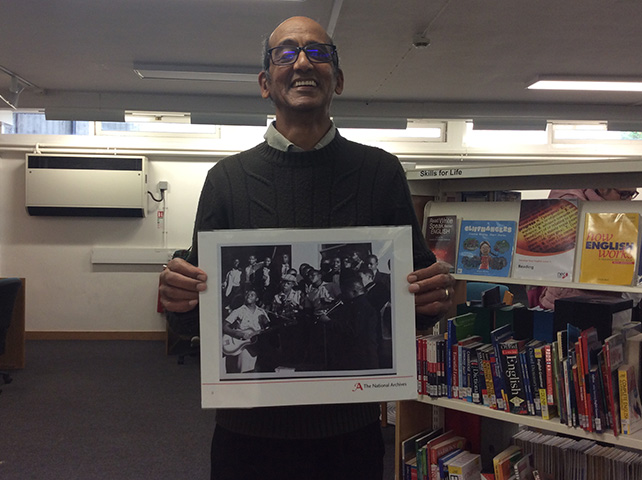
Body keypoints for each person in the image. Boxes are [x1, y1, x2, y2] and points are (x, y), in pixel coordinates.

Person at [158, 16, 455, 480]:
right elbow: (194, 311)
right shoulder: (225, 181)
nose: (303, 62)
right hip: (247, 434)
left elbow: (417, 297)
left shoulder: (379, 173)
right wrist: (178, 296)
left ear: (337, 78)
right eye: (286, 52)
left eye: (319, 53)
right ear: (264, 82)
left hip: (349, 431)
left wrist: (433, 295)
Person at [533, 187, 639, 311]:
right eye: (624, 194)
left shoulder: (620, 212)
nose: (629, 200)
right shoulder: (571, 204)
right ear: (603, 189)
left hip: (606, 302)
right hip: (568, 302)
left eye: (633, 194)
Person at [222, 289, 271, 373]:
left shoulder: (261, 312)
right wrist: (238, 334)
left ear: (257, 299)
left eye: (252, 295)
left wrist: (266, 323)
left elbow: (267, 328)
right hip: (243, 346)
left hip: (258, 345)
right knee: (244, 371)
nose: (249, 296)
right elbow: (225, 326)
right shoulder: (238, 311)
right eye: (247, 294)